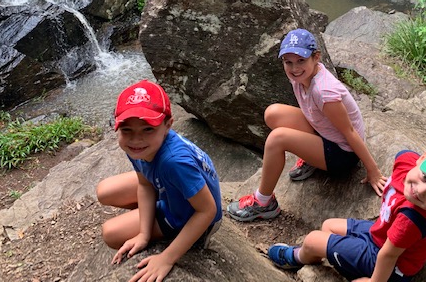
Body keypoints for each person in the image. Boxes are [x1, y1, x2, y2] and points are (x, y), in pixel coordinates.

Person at [227, 28, 387, 222]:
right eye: (288, 62)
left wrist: (373, 171)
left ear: (316, 57)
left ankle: (263, 203)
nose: (294, 68)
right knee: (272, 114)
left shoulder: (324, 91)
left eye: (301, 61)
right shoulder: (302, 76)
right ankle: (311, 157)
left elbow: (350, 131)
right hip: (324, 133)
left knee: (277, 139)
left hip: (342, 154)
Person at [267, 144, 426, 282]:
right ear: (422, 158)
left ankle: (296, 257)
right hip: (379, 232)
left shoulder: (411, 219)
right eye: (425, 178)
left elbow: (389, 254)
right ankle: (339, 259)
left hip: (391, 264)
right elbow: (403, 158)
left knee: (314, 240)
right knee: (329, 226)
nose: (420, 191)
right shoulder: (406, 160)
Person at [96, 80, 222, 282]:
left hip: (190, 214)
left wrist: (167, 257)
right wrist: (144, 234)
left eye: (147, 129)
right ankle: (151, 218)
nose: (136, 139)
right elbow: (145, 184)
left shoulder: (173, 162)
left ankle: (175, 227)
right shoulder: (139, 148)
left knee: (110, 233)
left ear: (168, 125)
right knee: (104, 190)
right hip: (172, 188)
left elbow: (208, 210)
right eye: (127, 130)